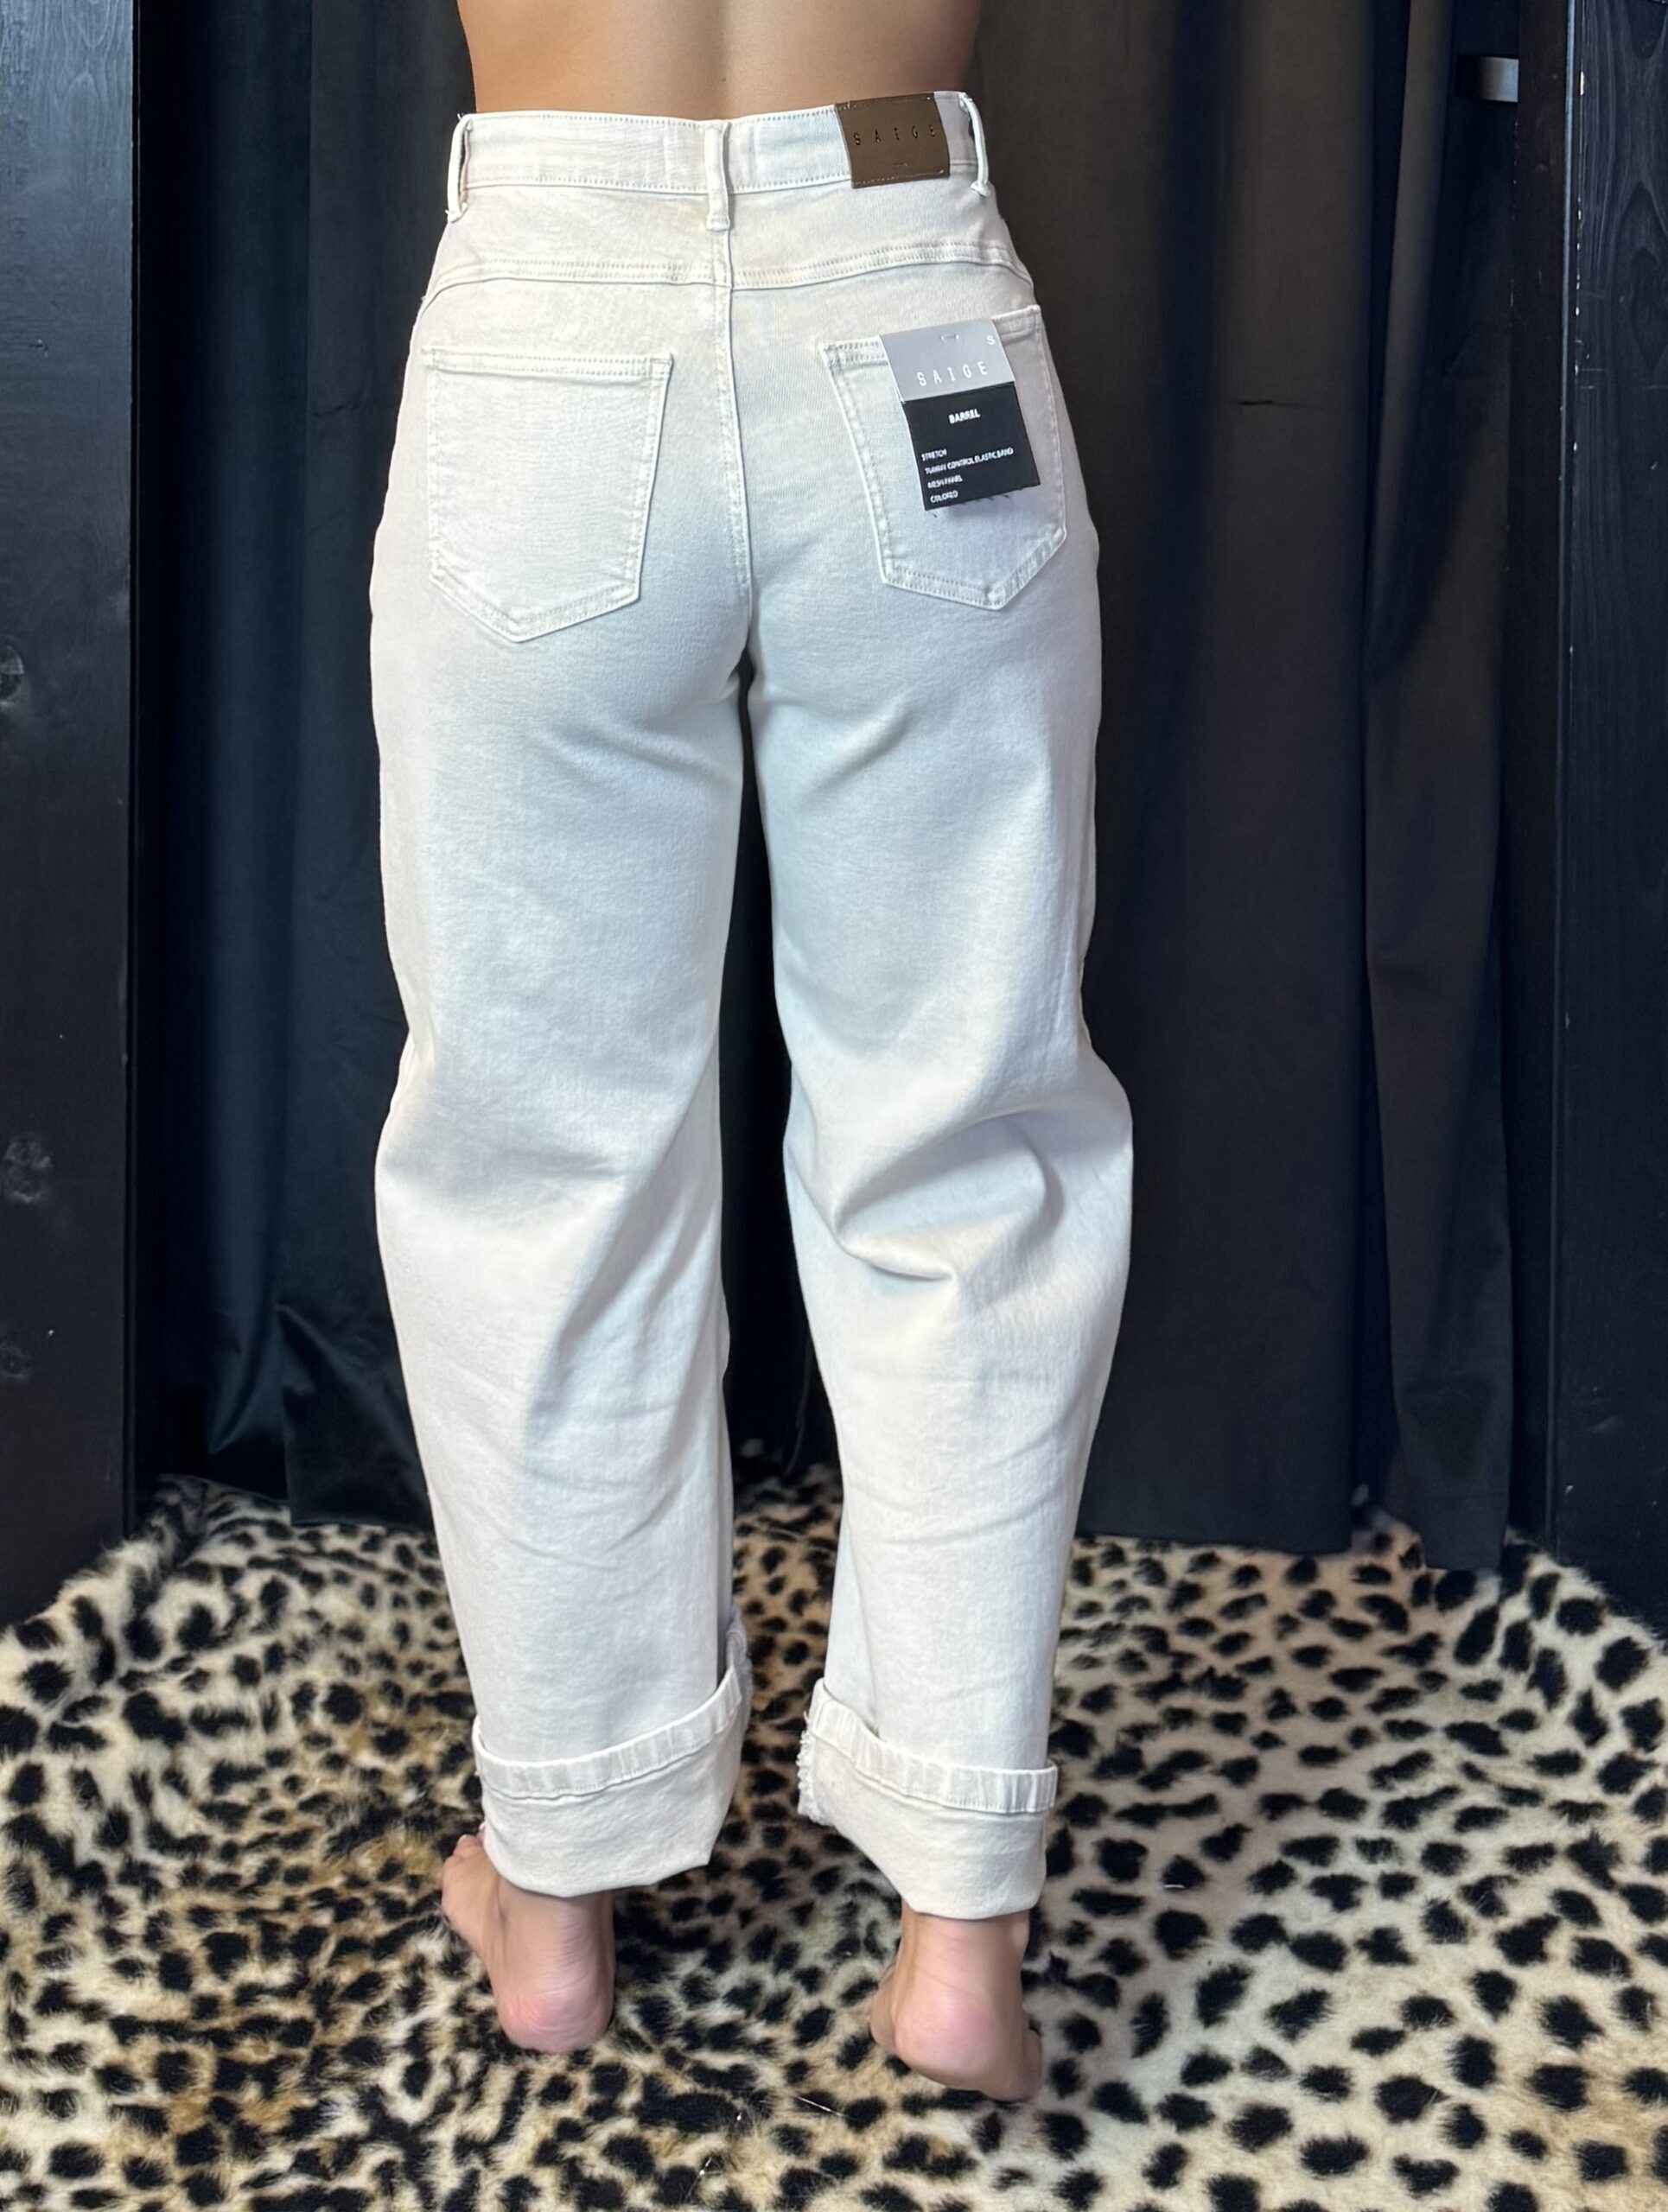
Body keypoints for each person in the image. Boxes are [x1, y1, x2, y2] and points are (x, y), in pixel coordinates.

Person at [367, 0, 1133, 2105]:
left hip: (551, 300)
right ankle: (959, 1936)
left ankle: (556, 1890)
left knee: (541, 1158)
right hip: (898, 285)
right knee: (961, 1147)